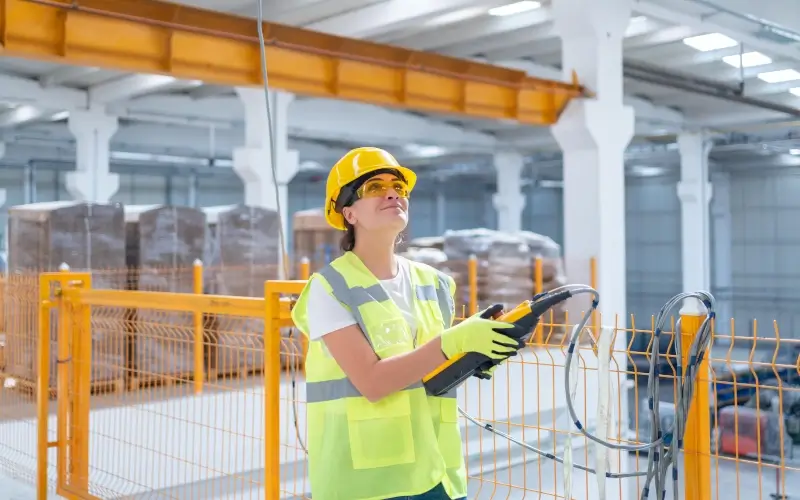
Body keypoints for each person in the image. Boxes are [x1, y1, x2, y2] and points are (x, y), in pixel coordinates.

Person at [291, 147, 525, 500]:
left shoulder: (435, 283)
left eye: (398, 187)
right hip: (365, 479)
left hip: (436, 467)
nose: (392, 193)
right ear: (348, 212)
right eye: (374, 187)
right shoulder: (330, 287)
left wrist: (469, 358)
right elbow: (371, 381)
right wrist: (452, 343)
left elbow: (427, 366)